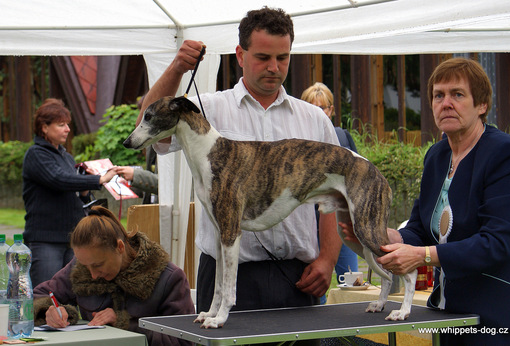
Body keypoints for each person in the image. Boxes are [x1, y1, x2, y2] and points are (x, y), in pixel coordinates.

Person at [137, 6, 343, 324]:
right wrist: (177, 68)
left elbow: (334, 195)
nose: (274, 67)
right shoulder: (207, 109)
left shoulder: (314, 119)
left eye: (283, 57)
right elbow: (147, 128)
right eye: (263, 57)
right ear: (240, 55)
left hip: (298, 275)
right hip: (223, 274)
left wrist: (328, 259)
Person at [342, 57, 510, 344]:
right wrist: (383, 237)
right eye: (439, 95)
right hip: (448, 315)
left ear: (482, 105)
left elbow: (498, 242)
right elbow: (420, 230)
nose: (446, 103)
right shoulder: (437, 156)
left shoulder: (504, 154)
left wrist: (424, 255)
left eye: (457, 94)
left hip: (497, 321)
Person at [33, 206, 194, 346]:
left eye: (98, 265)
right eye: (85, 266)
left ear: (120, 247)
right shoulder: (81, 269)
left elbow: (184, 340)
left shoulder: (168, 278)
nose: (93, 275)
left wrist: (126, 324)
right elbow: (36, 296)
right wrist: (50, 311)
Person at [22, 98, 117, 287]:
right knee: (47, 296)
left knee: (74, 297)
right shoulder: (36, 154)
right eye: (61, 125)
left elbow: (69, 187)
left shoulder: (66, 157)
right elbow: (58, 180)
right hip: (46, 240)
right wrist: (98, 179)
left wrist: (84, 191)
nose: (67, 129)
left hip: (72, 239)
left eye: (67, 124)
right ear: (44, 127)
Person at [301, 82, 359, 303]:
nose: (319, 112)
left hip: (342, 223)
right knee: (316, 287)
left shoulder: (342, 138)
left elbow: (357, 175)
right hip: (309, 225)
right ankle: (322, 337)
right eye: (313, 107)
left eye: (324, 107)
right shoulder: (297, 143)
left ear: (332, 110)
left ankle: (352, 334)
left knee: (352, 285)